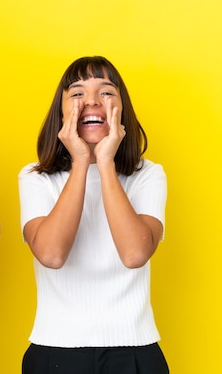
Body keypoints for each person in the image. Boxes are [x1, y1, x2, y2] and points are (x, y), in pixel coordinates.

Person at [18, 56, 169, 374]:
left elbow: (135, 253)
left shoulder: (148, 175)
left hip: (136, 353)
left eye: (106, 92)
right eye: (76, 93)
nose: (91, 102)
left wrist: (105, 164)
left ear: (121, 108)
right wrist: (79, 162)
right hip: (54, 352)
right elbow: (51, 254)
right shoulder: (35, 178)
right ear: (61, 112)